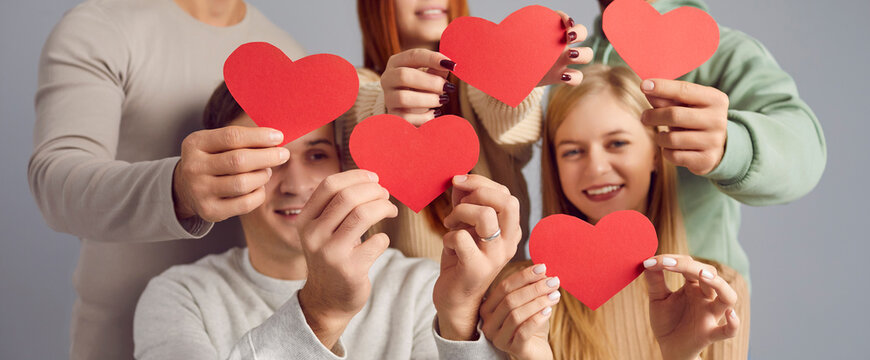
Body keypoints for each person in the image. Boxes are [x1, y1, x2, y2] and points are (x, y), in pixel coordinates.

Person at [133, 82, 521, 359]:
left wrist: (458, 319)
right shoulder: (179, 298)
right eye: (266, 158)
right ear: (227, 173)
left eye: (316, 154)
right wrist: (320, 312)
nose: (296, 184)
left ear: (342, 163)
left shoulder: (422, 290)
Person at [28, 0, 303, 358]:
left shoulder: (288, 54)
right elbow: (56, 185)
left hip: (254, 341)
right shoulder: (102, 27)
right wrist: (176, 191)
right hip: (117, 340)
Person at [479, 65, 750, 360]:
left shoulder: (716, 291)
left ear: (656, 155)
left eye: (617, 143)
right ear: (554, 167)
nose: (596, 168)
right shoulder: (519, 294)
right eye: (572, 151)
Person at [577, 0, 827, 284]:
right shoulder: (572, 60)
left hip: (699, 302)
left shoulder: (726, 56)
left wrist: (731, 146)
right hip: (581, 311)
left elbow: (804, 151)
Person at [343, 0, 593, 261]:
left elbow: (498, 112)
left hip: (500, 291)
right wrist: (387, 107)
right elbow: (361, 104)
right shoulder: (353, 94)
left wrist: (519, 77)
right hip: (403, 298)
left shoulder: (474, 85)